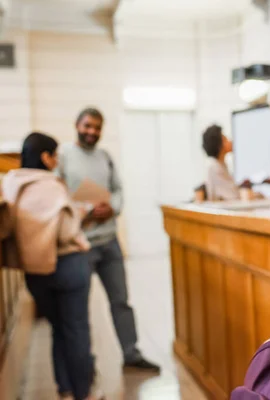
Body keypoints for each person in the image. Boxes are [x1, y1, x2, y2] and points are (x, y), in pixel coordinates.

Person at [57, 108, 160, 373]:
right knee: (79, 310)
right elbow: (58, 194)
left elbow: (118, 189)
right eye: (88, 126)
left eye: (97, 127)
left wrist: (111, 207)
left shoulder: (105, 157)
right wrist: (86, 211)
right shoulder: (64, 156)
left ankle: (131, 353)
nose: (92, 131)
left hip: (109, 241)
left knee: (121, 301)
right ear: (77, 125)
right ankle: (84, 364)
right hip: (80, 244)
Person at [1, 132, 98, 400]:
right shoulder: (52, 184)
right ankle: (84, 393)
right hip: (68, 265)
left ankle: (64, 389)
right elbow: (66, 232)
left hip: (34, 271)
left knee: (58, 328)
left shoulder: (11, 182)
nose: (57, 160)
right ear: (45, 157)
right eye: (55, 154)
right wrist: (83, 212)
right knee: (76, 330)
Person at [202, 124, 253, 201]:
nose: (230, 141)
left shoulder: (221, 164)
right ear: (219, 145)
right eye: (225, 139)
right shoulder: (214, 166)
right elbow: (232, 195)